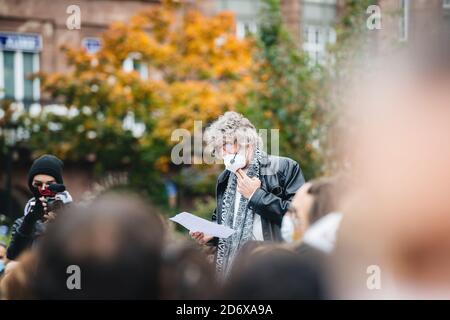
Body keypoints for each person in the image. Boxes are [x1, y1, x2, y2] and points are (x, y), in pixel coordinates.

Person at [191, 111, 305, 278]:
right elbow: (224, 223)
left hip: (272, 269)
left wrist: (256, 195)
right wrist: (211, 233)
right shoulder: (225, 178)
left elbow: (299, 218)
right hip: (233, 273)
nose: (224, 153)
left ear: (247, 141)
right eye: (219, 148)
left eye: (227, 145)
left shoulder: (284, 167)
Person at [6, 154, 73, 260]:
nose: (43, 189)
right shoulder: (22, 222)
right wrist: (29, 222)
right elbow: (13, 256)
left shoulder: (75, 216)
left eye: (49, 184)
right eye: (38, 184)